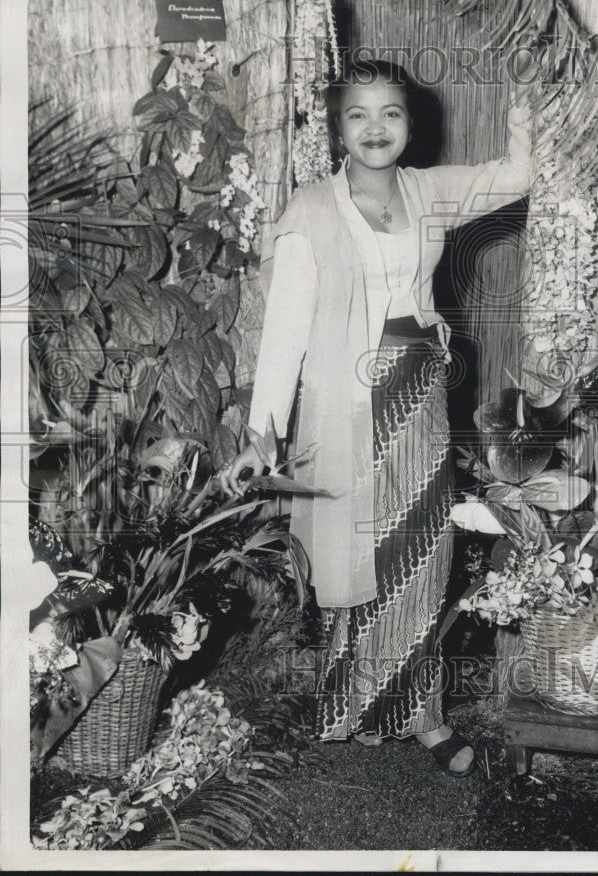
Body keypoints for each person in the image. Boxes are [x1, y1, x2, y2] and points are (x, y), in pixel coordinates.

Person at [220, 57, 533, 777]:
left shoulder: (428, 190)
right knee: (362, 560)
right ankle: (355, 708)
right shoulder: (310, 211)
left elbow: (513, 178)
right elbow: (284, 336)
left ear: (410, 124)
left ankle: (421, 716)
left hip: (418, 397)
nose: (375, 128)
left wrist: (521, 126)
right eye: (358, 114)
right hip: (345, 404)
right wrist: (261, 437)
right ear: (338, 128)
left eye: (390, 113)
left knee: (423, 555)